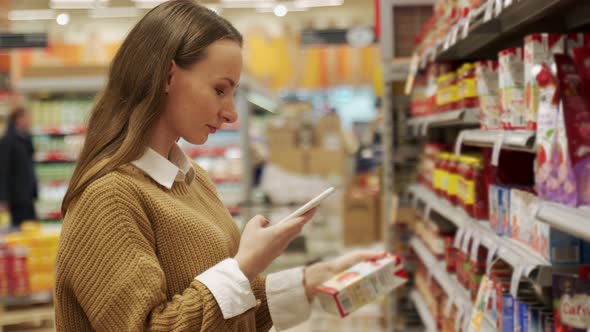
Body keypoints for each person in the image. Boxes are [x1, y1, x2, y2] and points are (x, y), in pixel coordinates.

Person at [55, 1, 383, 331]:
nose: (232, 113)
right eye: (219, 90)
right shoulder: (108, 198)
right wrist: (243, 266)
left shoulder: (194, 182)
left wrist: (310, 280)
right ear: (168, 75)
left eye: (233, 93)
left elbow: (227, 313)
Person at [0, 106, 38, 228]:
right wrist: (3, 198)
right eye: (27, 117)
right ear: (18, 119)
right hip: (16, 197)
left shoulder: (26, 138)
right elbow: (3, 170)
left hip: (27, 194)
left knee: (31, 228)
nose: (30, 120)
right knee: (18, 230)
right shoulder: (8, 141)